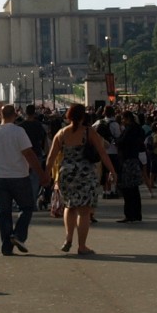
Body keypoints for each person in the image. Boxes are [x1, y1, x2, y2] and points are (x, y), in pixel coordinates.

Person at [46, 103, 114, 256]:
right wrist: (113, 171)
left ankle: (68, 238)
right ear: (83, 116)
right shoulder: (89, 132)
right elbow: (103, 153)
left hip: (66, 174)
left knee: (69, 207)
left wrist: (46, 175)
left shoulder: (61, 133)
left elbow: (51, 157)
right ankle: (82, 246)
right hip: (85, 174)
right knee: (84, 211)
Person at [0, 103, 41, 254]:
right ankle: (18, 235)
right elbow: (29, 154)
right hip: (19, 177)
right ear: (15, 115)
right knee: (26, 207)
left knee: (3, 212)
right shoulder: (19, 131)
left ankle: (6, 245)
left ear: (0, 115)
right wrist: (41, 173)